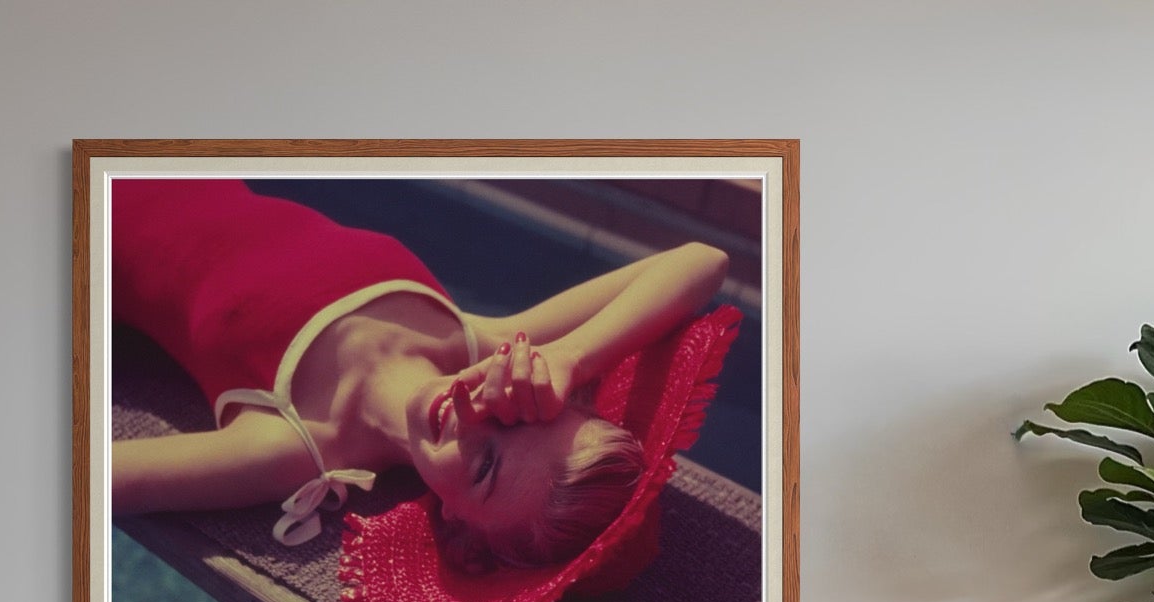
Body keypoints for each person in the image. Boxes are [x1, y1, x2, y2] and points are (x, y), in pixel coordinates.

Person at [109, 179, 731, 570]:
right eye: (526, 411)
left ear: (457, 525)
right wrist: (570, 358)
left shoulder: (290, 444)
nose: (477, 411)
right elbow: (701, 261)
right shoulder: (481, 342)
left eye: (486, 465)